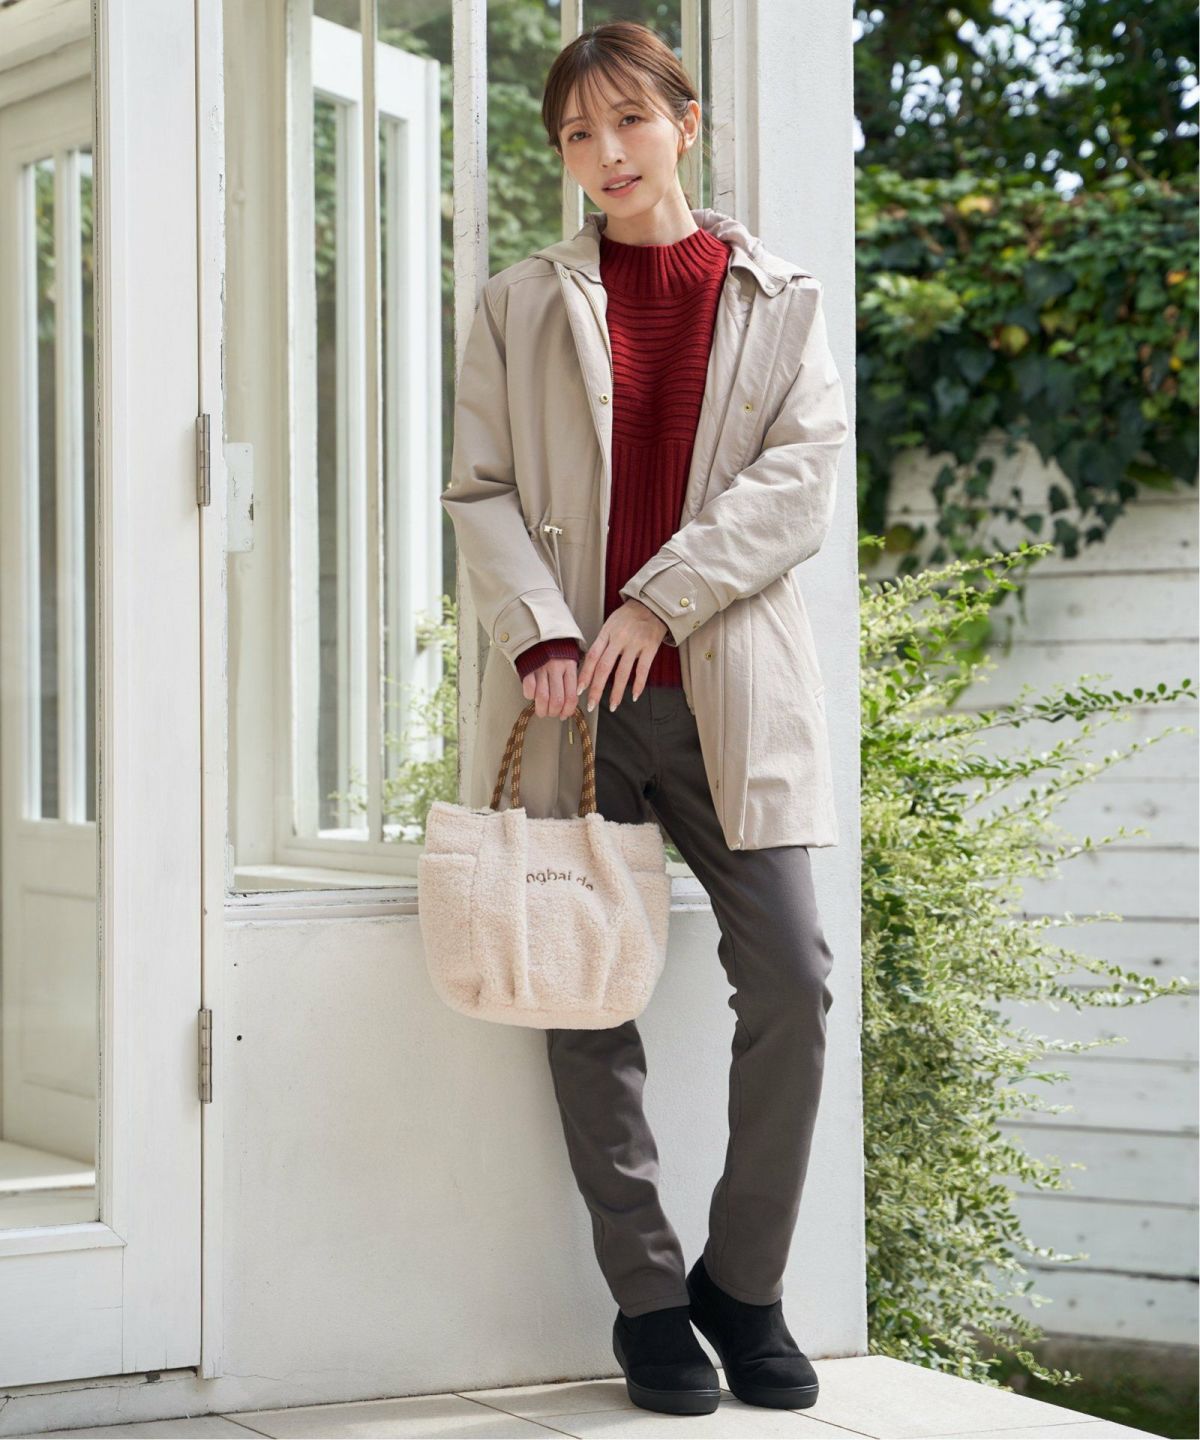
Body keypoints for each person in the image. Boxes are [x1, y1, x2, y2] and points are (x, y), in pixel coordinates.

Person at [441, 19, 849, 1420]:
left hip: (729, 697)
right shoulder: (520, 302)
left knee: (792, 980)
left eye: (629, 121)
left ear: (687, 124)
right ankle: (651, 1302)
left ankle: (747, 1285)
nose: (605, 153)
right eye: (577, 133)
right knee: (582, 994)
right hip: (575, 708)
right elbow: (480, 490)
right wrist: (547, 629)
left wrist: (656, 603)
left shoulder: (780, 299)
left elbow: (798, 484)